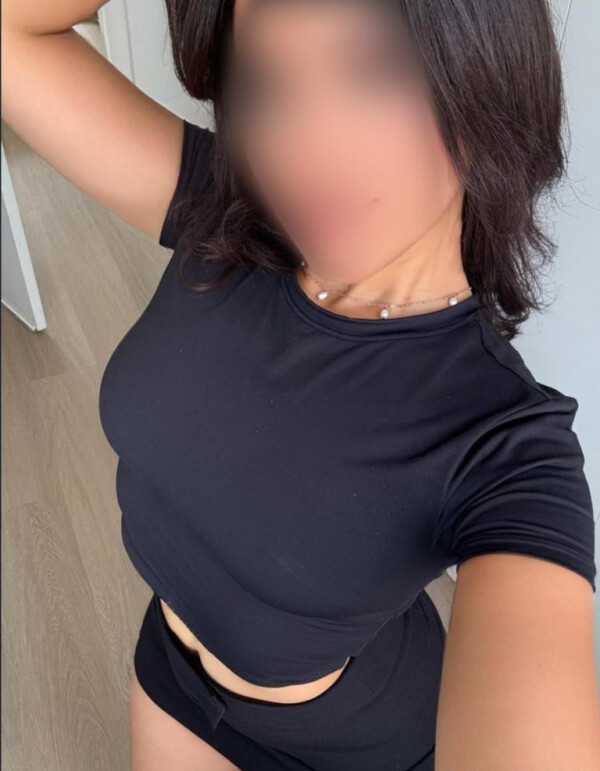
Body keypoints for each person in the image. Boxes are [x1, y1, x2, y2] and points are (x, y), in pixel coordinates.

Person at [3, 1, 599, 769]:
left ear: (485, 73)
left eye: (376, 70)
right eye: (266, 85)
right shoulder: (224, 217)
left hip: (360, 745)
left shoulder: (508, 450)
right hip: (171, 673)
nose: (308, 147)